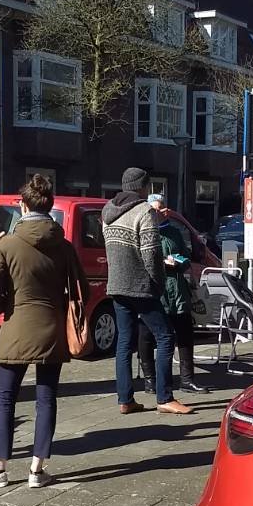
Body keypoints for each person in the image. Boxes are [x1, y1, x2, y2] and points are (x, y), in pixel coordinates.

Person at [0, 174, 88, 490]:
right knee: (46, 398)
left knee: (5, 398)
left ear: (22, 206)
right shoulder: (64, 246)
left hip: (17, 327)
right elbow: (81, 290)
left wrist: (6, 306)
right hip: (52, 330)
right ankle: (37, 469)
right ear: (49, 207)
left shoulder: (7, 244)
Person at [102, 167, 192, 416]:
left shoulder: (107, 211)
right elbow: (151, 254)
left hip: (116, 284)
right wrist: (157, 283)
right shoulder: (144, 212)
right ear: (143, 187)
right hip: (141, 286)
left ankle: (125, 399)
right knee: (165, 337)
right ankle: (165, 397)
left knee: (124, 341)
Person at [137, 200, 207, 394]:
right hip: (154, 291)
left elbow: (186, 258)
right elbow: (140, 261)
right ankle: (150, 381)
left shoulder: (175, 232)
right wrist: (161, 263)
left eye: (161, 208)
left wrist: (180, 262)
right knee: (147, 335)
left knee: (185, 334)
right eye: (154, 208)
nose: (158, 212)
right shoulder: (144, 232)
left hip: (177, 290)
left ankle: (187, 380)